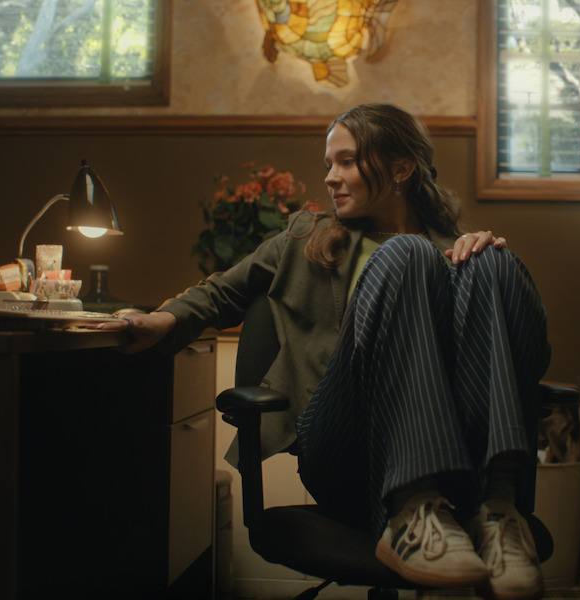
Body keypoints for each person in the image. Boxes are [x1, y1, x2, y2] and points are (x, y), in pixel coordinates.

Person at [96, 103, 551, 600]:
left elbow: (529, 359)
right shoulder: (306, 238)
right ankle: (409, 508)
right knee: (409, 254)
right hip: (343, 448)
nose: (332, 177)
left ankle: (499, 510)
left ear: (401, 168)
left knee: (495, 260)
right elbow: (222, 292)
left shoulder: (457, 250)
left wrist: (494, 265)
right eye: (328, 165)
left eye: (347, 162)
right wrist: (163, 319)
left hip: (459, 461)